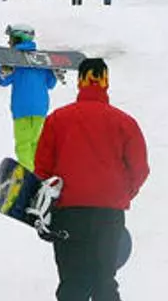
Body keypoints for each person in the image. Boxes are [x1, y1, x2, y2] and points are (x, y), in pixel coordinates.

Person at [34, 58, 150, 301]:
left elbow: (42, 169)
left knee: (72, 284)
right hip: (108, 215)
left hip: (68, 214)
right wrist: (121, 194)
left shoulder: (57, 119)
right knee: (104, 283)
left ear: (80, 82)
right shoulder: (124, 122)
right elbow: (139, 169)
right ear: (106, 82)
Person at [0, 24, 57, 171]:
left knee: (23, 145)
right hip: (41, 109)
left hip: (21, 109)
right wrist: (54, 71)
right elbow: (50, 83)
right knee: (36, 144)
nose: (9, 42)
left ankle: (29, 175)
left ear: (18, 38)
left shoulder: (13, 59)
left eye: (11, 39)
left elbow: (4, 81)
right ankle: (39, 173)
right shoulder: (41, 59)